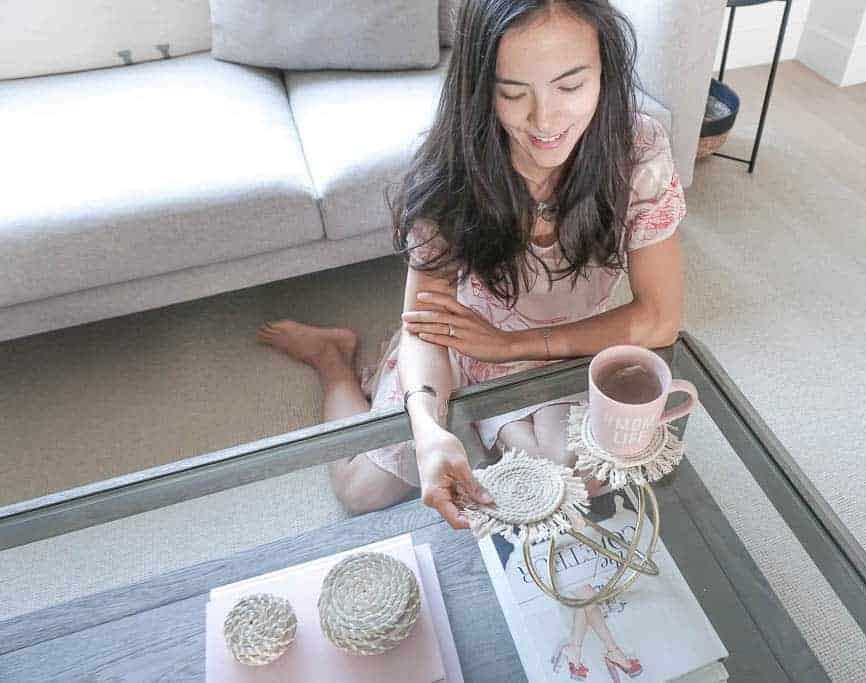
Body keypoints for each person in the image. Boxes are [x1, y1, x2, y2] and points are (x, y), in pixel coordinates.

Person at [257, 0, 686, 529]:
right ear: (483, 88)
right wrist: (428, 431)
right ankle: (332, 359)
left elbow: (659, 317)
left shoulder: (637, 150)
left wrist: (512, 345)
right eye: (513, 93)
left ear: (606, 72)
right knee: (360, 491)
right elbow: (427, 327)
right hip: (461, 338)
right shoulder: (453, 172)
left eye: (571, 87)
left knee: (578, 477)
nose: (545, 121)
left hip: (571, 340)